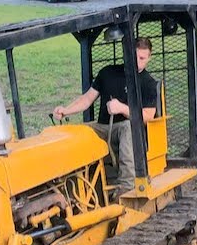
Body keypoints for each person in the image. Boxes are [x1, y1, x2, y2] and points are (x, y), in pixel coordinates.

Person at [52, 37, 158, 192]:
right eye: (134, 57)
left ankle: (127, 186)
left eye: (142, 58)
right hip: (102, 127)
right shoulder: (108, 73)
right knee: (77, 132)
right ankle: (69, 182)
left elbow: (148, 116)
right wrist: (66, 110)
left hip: (126, 130)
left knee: (128, 127)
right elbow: (87, 99)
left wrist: (122, 108)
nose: (137, 62)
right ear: (127, 54)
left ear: (149, 58)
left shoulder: (148, 83)